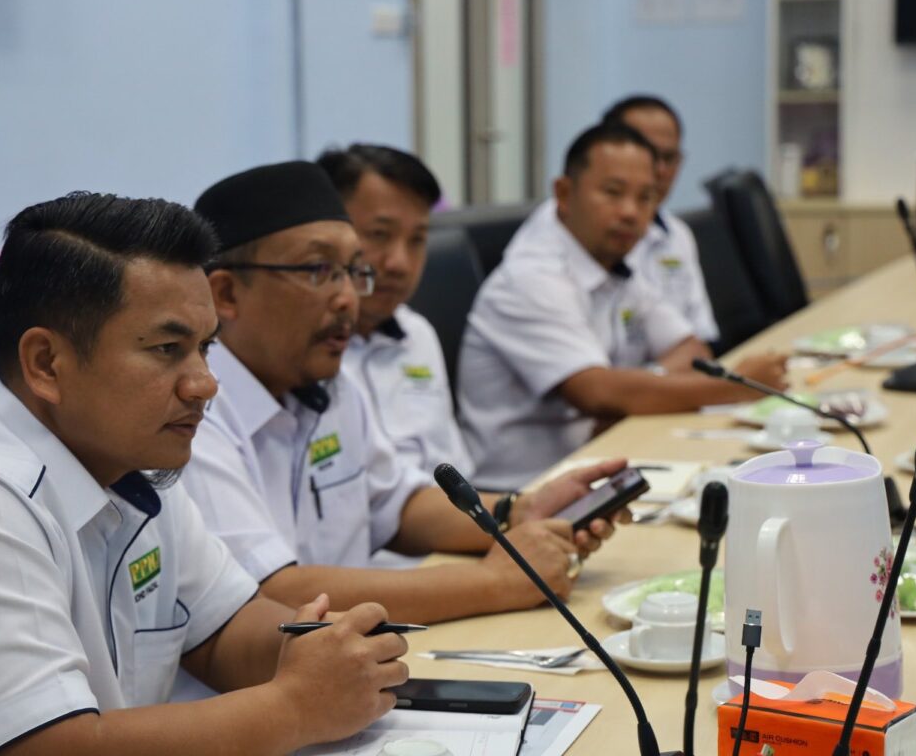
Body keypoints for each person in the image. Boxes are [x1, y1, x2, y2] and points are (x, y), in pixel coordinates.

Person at [0, 193, 406, 756]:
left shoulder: (129, 457)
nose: (204, 384)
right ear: (46, 363)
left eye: (205, 348)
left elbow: (225, 631)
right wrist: (294, 707)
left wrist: (330, 654)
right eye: (167, 349)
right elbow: (53, 749)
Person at [182, 161, 627, 625]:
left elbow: (397, 505)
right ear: (226, 295)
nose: (348, 298)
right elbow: (271, 594)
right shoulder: (193, 411)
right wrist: (496, 582)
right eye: (319, 270)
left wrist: (520, 510)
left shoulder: (328, 385)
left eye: (352, 271)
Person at [458, 124, 788, 490]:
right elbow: (597, 392)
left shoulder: (614, 264)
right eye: (613, 193)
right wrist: (733, 387)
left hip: (601, 460)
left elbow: (691, 349)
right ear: (564, 194)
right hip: (521, 490)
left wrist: (634, 393)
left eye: (646, 197)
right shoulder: (530, 279)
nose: (631, 212)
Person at [316, 143, 472, 473]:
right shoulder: (300, 351)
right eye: (379, 234)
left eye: (417, 240)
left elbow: (456, 469)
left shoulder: (418, 334)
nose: (399, 263)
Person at [519, 95, 718, 344]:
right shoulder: (544, 262)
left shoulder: (669, 235)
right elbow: (593, 373)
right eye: (613, 192)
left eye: (668, 158)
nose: (658, 170)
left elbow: (696, 344)